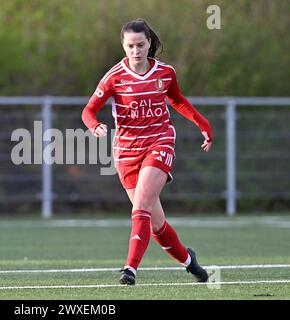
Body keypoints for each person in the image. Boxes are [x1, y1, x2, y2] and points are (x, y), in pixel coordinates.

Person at [81, 19, 213, 285]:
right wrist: (95, 125)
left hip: (159, 141)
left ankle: (130, 269)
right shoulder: (114, 77)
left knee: (140, 206)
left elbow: (177, 100)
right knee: (155, 224)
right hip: (127, 151)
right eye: (130, 46)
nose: (136, 50)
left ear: (149, 42)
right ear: (123, 46)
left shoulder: (165, 73)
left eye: (140, 44)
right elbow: (88, 110)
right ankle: (189, 261)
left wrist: (203, 123)